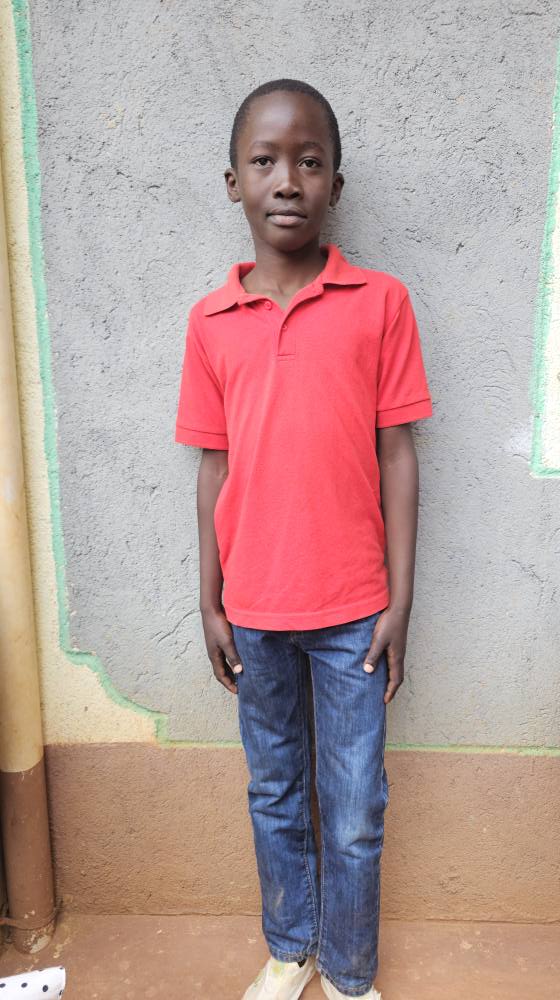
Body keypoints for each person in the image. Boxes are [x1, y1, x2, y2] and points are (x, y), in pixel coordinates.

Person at [175, 78, 433, 1000]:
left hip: (356, 610)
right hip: (254, 609)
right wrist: (209, 600)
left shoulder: (380, 303)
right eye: (265, 161)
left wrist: (400, 601)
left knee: (356, 808)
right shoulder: (211, 322)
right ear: (234, 183)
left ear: (335, 185)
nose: (287, 179)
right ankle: (292, 949)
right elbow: (213, 467)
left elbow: (397, 455)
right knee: (275, 792)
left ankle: (351, 972)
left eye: (310, 162)